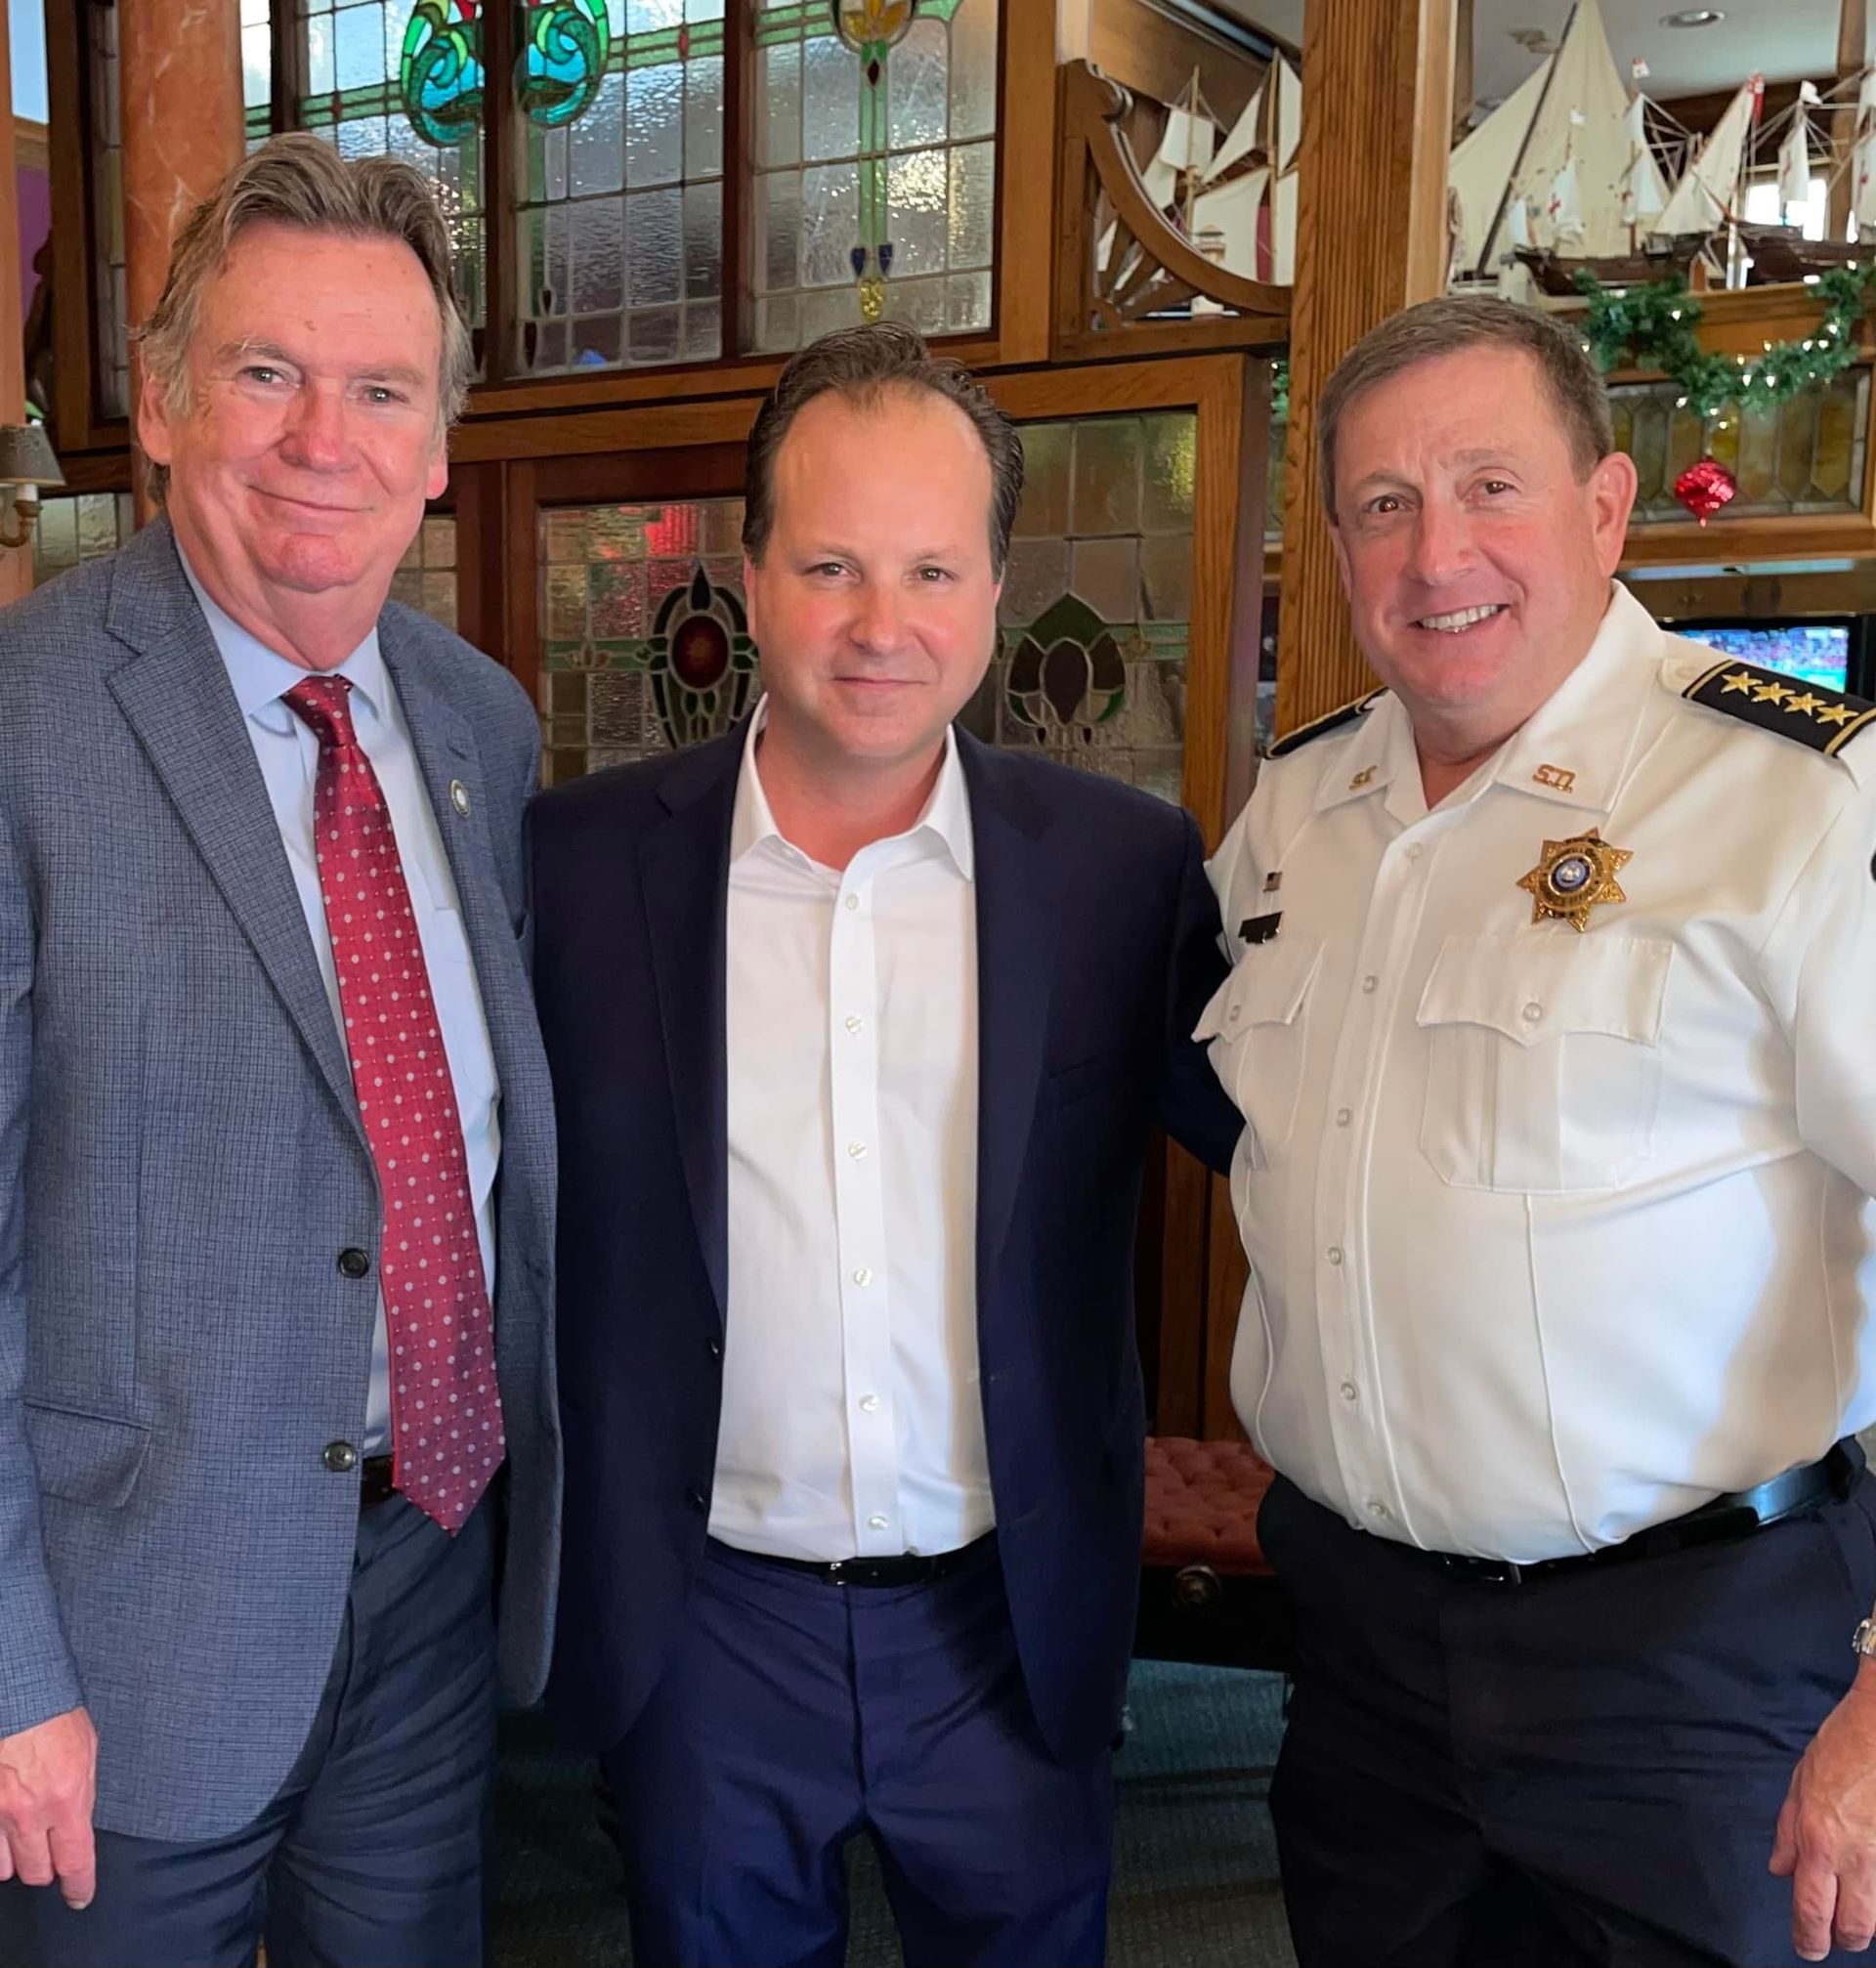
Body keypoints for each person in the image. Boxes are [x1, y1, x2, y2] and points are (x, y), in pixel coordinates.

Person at [531, 321, 1242, 1968]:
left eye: (931, 570)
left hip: (1008, 1617)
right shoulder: (573, 869)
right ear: (752, 576)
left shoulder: (1122, 870)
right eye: (832, 565)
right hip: (708, 1622)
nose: (881, 624)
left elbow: (1298, 1137)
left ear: (994, 589)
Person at [1204, 291, 1876, 1968]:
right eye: (1384, 503)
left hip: (1697, 1670)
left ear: (1606, 505)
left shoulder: (1794, 801)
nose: (1438, 554)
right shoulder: (1297, 807)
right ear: (1338, 546)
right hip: (1364, 1657)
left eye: (1490, 486)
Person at [0, 134, 560, 1967]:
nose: (327, 437)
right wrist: (8, 1673)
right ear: (164, 403)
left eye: (381, 388)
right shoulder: (24, 721)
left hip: (427, 1582)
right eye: (266, 372)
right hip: (118, 1639)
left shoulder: (480, 723)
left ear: (438, 446)